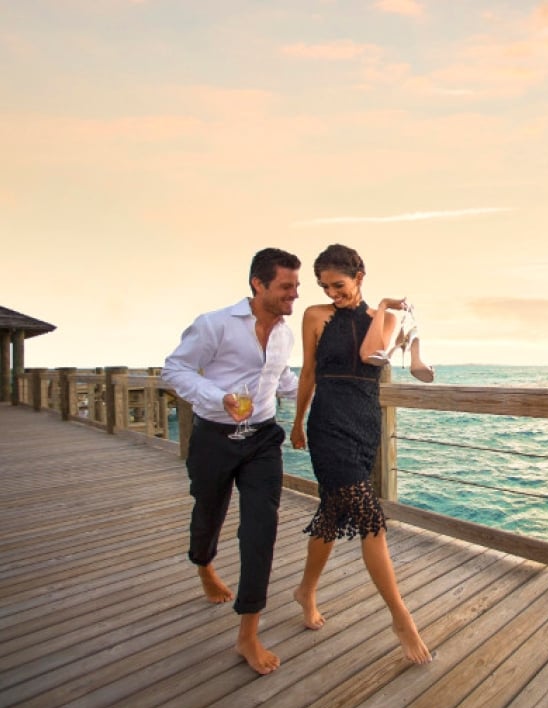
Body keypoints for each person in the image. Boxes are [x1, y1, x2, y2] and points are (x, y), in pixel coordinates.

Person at [290, 243, 432, 664]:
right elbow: (309, 372)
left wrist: (385, 306)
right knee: (371, 519)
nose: (332, 293)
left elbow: (368, 355)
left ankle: (305, 591)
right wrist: (297, 421)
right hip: (328, 425)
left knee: (333, 514)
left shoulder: (384, 320)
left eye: (339, 284)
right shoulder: (316, 316)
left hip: (364, 424)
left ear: (359, 278)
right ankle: (402, 619)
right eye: (325, 286)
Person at [162, 247, 301, 675]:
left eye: (296, 288)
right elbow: (174, 370)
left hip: (261, 439)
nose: (293, 296)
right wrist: (216, 397)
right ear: (258, 284)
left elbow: (283, 380)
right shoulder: (214, 324)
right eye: (285, 287)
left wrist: (326, 390)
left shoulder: (284, 334)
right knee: (209, 510)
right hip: (215, 437)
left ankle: (248, 633)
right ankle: (203, 563)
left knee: (262, 527)